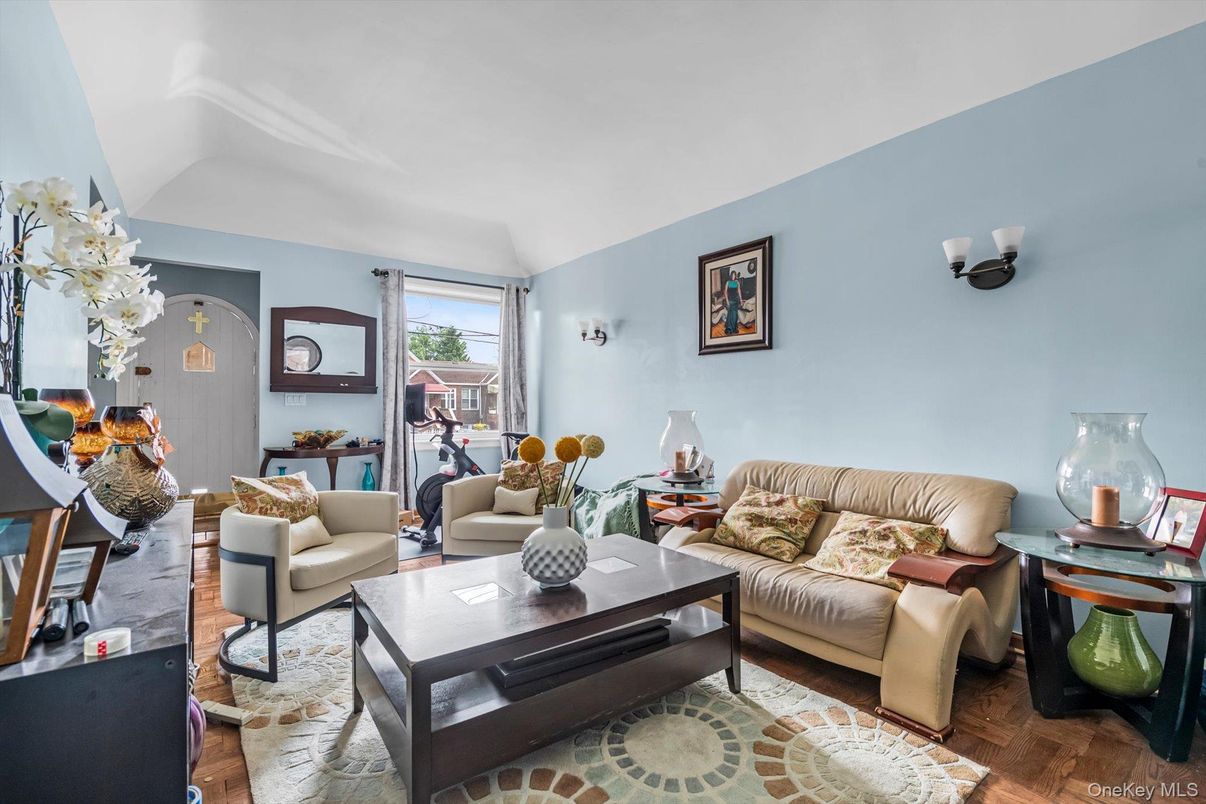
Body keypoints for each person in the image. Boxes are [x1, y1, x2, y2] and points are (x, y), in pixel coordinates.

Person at [723, 267, 744, 335]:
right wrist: (727, 301)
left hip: (736, 300)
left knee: (735, 314)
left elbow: (739, 291)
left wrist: (741, 300)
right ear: (730, 275)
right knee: (730, 314)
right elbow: (725, 292)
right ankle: (729, 329)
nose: (733, 276)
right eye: (732, 275)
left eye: (734, 275)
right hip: (730, 300)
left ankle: (734, 328)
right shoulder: (728, 282)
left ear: (736, 276)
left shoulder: (737, 282)